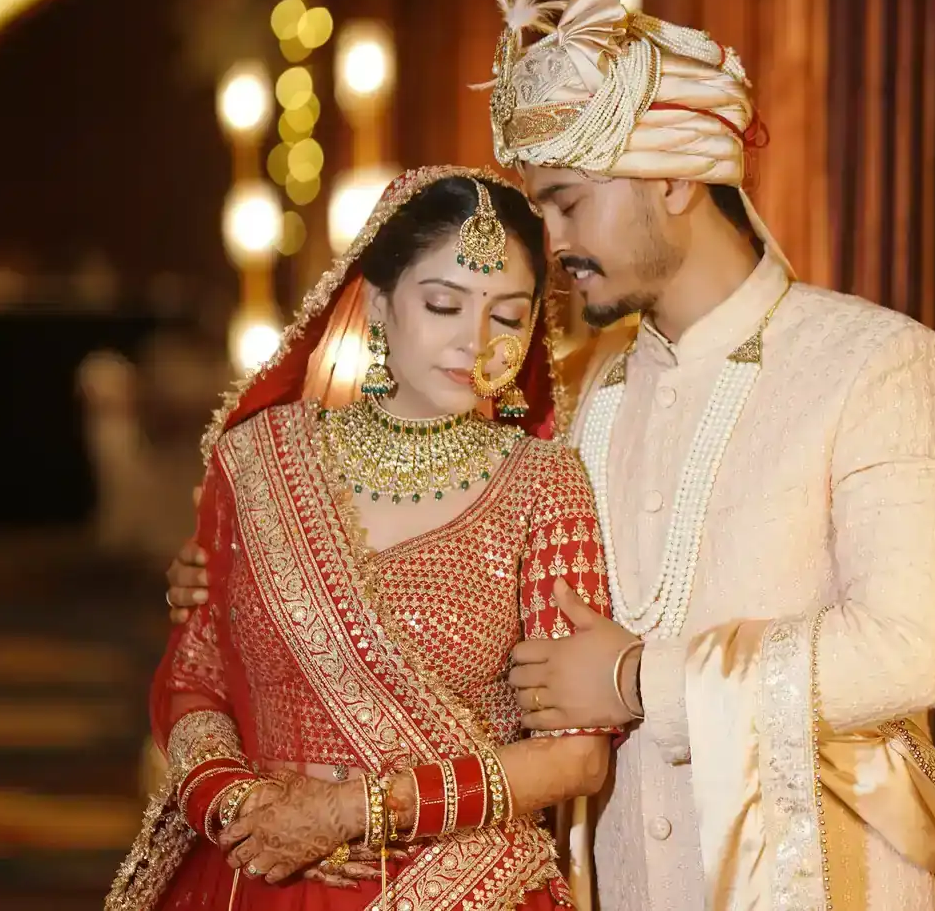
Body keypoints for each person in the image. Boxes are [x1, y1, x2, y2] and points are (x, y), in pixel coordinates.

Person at [170, 0, 935, 910]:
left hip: (816, 881)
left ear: (674, 179)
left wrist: (638, 680)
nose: (551, 243)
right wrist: (235, 579)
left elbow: (908, 650)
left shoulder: (875, 362)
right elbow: (443, 551)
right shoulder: (578, 382)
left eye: (567, 200)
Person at [113, 167, 616, 911]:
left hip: (459, 885)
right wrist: (239, 803)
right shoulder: (257, 461)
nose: (475, 341)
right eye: (443, 304)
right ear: (378, 303)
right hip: (260, 869)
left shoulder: (546, 486)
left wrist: (356, 812)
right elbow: (195, 681)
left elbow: (575, 756)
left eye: (508, 317)